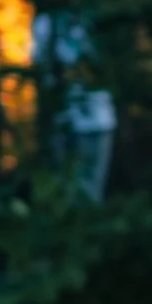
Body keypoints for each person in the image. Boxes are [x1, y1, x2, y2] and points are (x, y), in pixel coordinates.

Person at [30, 12, 115, 201]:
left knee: (89, 186)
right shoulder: (47, 23)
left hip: (97, 119)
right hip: (65, 118)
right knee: (66, 184)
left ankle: (84, 225)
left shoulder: (96, 19)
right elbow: (39, 64)